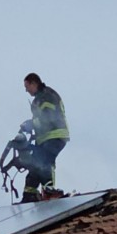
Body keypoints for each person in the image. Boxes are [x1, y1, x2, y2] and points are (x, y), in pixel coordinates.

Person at [22, 72, 70, 202]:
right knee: (35, 162)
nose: (27, 91)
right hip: (45, 137)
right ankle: (29, 193)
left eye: (27, 87)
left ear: (33, 83)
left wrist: (31, 124)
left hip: (55, 135)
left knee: (44, 160)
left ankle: (49, 190)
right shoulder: (41, 97)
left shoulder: (46, 96)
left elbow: (47, 117)